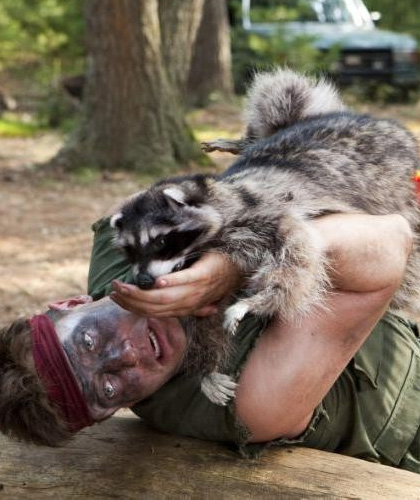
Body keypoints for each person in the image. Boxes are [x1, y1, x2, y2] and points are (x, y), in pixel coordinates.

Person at [1, 208, 420, 474]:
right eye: (108, 388)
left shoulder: (127, 247)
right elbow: (388, 240)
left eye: (90, 342)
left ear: (74, 302)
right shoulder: (252, 403)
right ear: (110, 413)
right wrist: (232, 265)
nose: (126, 356)